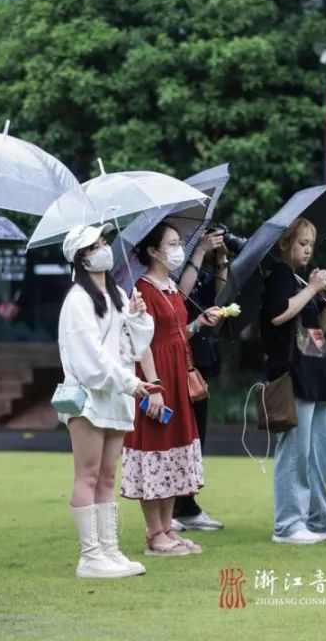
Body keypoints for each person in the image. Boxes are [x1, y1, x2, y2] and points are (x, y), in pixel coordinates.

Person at [58, 224, 155, 578]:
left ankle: (109, 550)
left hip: (115, 397)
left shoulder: (117, 294)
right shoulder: (77, 300)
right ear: (81, 258)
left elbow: (133, 347)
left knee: (107, 475)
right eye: (93, 245)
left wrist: (137, 317)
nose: (103, 248)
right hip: (90, 399)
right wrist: (131, 383)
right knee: (87, 474)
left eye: (103, 242)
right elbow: (91, 362)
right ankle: (90, 556)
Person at [123, 222, 218, 556]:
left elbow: (176, 334)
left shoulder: (172, 288)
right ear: (153, 250)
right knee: (156, 448)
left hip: (177, 375)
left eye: (179, 242)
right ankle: (154, 533)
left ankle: (167, 529)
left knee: (173, 451)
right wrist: (154, 386)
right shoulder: (143, 290)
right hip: (157, 377)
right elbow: (141, 342)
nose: (178, 249)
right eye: (173, 244)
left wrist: (198, 323)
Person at [261, 218, 326, 544]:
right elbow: (277, 315)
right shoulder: (279, 275)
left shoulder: (300, 279)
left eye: (311, 244)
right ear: (284, 243)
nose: (307, 250)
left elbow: (317, 330)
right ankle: (288, 525)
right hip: (292, 375)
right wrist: (312, 289)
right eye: (302, 243)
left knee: (320, 453)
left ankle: (320, 518)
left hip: (315, 373)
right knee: (295, 454)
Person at [171, 228, 227, 532]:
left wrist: (221, 260)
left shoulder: (202, 273)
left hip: (200, 361)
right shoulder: (165, 277)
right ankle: (170, 507)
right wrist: (201, 250)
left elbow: (221, 297)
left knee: (196, 438)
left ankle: (188, 505)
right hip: (174, 362)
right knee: (177, 437)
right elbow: (179, 300)